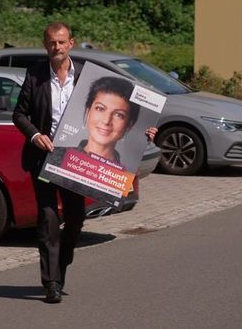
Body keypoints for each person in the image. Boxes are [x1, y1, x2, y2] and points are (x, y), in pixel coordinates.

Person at [12, 21, 156, 304]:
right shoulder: (35, 75)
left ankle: (61, 264)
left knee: (75, 218)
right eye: (52, 42)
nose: (57, 47)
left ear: (71, 44)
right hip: (43, 158)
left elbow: (124, 108)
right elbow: (20, 115)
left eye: (62, 42)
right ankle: (51, 282)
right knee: (48, 219)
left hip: (74, 160)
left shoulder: (87, 77)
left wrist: (147, 131)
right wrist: (36, 135)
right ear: (46, 45)